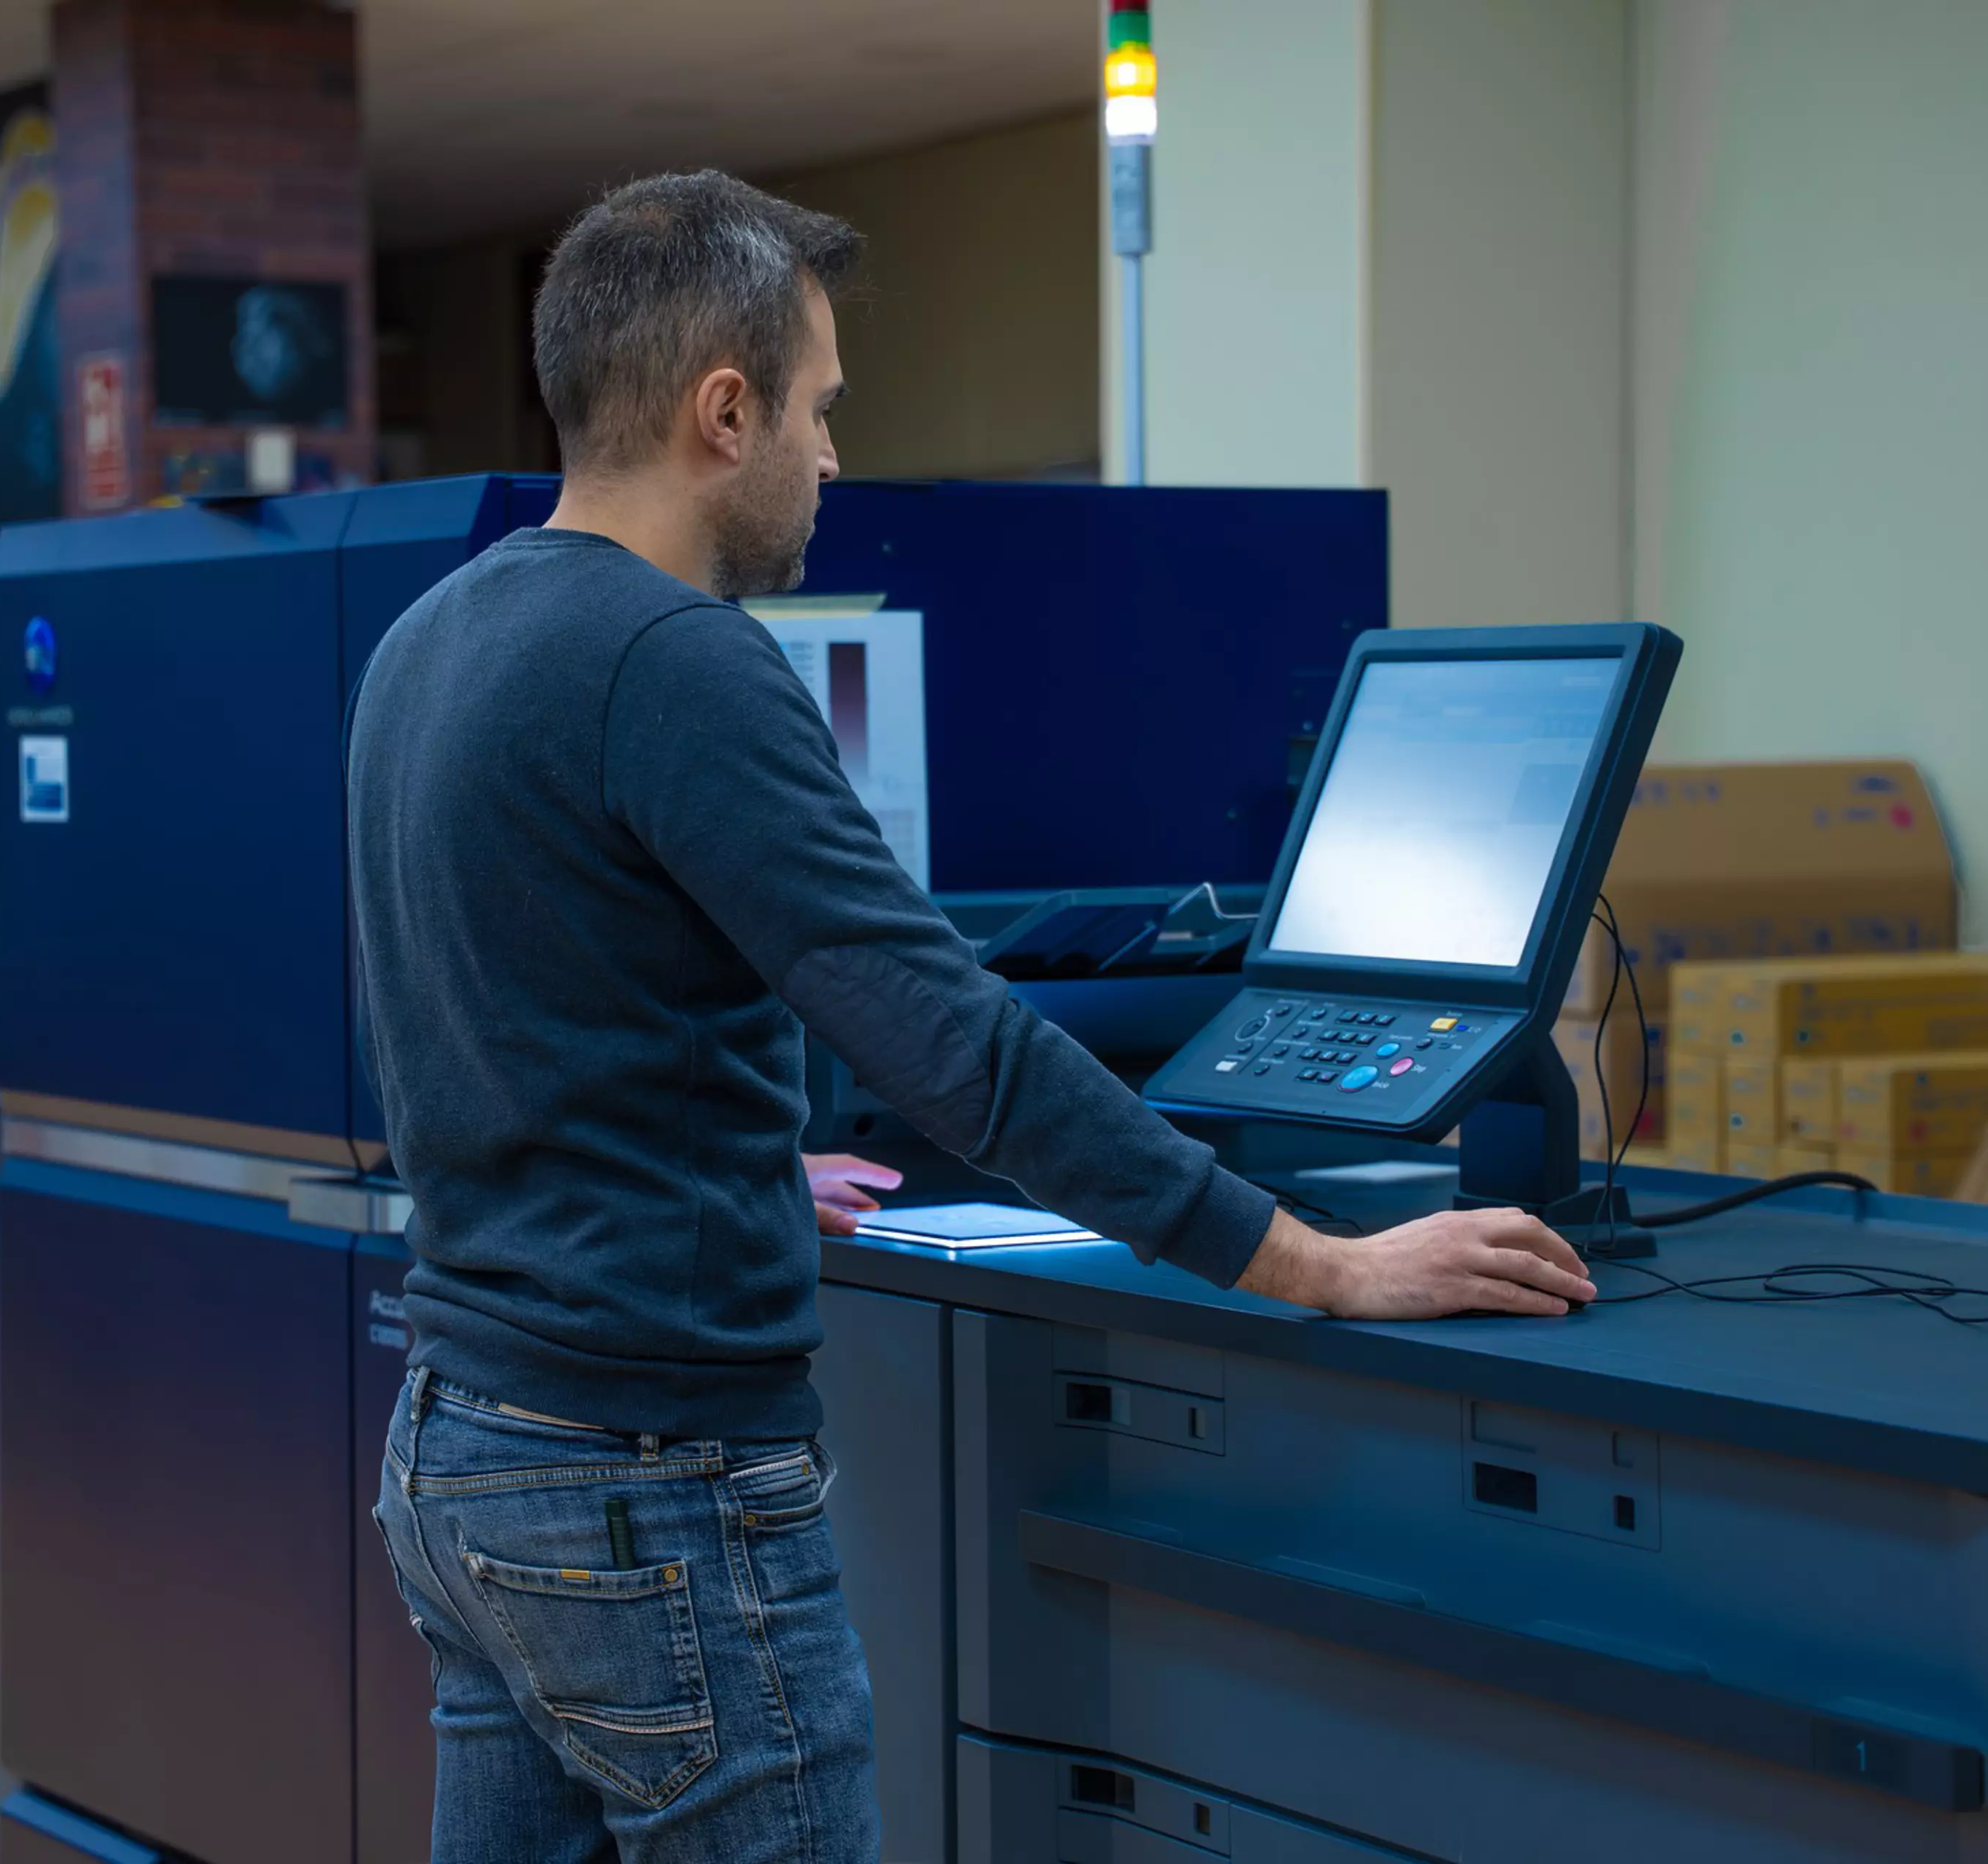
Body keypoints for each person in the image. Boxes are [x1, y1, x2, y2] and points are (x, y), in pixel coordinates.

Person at [346, 168, 1594, 1863]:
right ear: (727, 411)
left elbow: (499, 999)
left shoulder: (428, 639)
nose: (835, 456)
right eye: (821, 406)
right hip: (650, 1477)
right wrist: (1321, 1258)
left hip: (460, 1445)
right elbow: (953, 1040)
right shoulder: (684, 662)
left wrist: (711, 1156)